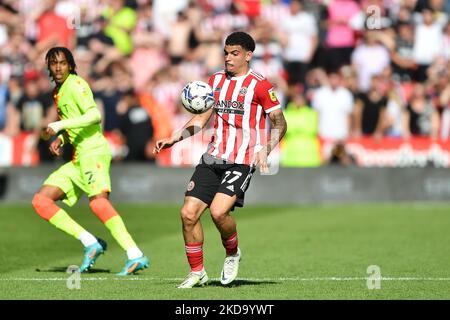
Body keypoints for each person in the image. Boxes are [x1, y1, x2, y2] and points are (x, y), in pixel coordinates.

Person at [154, 31, 287, 288]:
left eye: (234, 53)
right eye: (226, 52)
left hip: (242, 159)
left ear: (248, 55)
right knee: (188, 214)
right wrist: (175, 138)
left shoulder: (260, 85)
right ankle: (197, 272)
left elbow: (280, 123)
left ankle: (232, 252)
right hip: (213, 157)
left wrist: (266, 149)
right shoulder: (215, 81)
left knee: (218, 212)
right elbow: (202, 120)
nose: (228, 58)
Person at [31, 47, 149, 275]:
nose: (58, 67)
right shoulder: (60, 90)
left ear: (71, 65)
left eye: (63, 63)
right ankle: (90, 242)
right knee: (41, 202)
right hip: (78, 157)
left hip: (93, 151)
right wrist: (63, 139)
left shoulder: (76, 84)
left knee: (98, 203)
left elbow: (94, 116)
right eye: (53, 63)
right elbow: (77, 120)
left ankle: (135, 254)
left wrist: (58, 126)